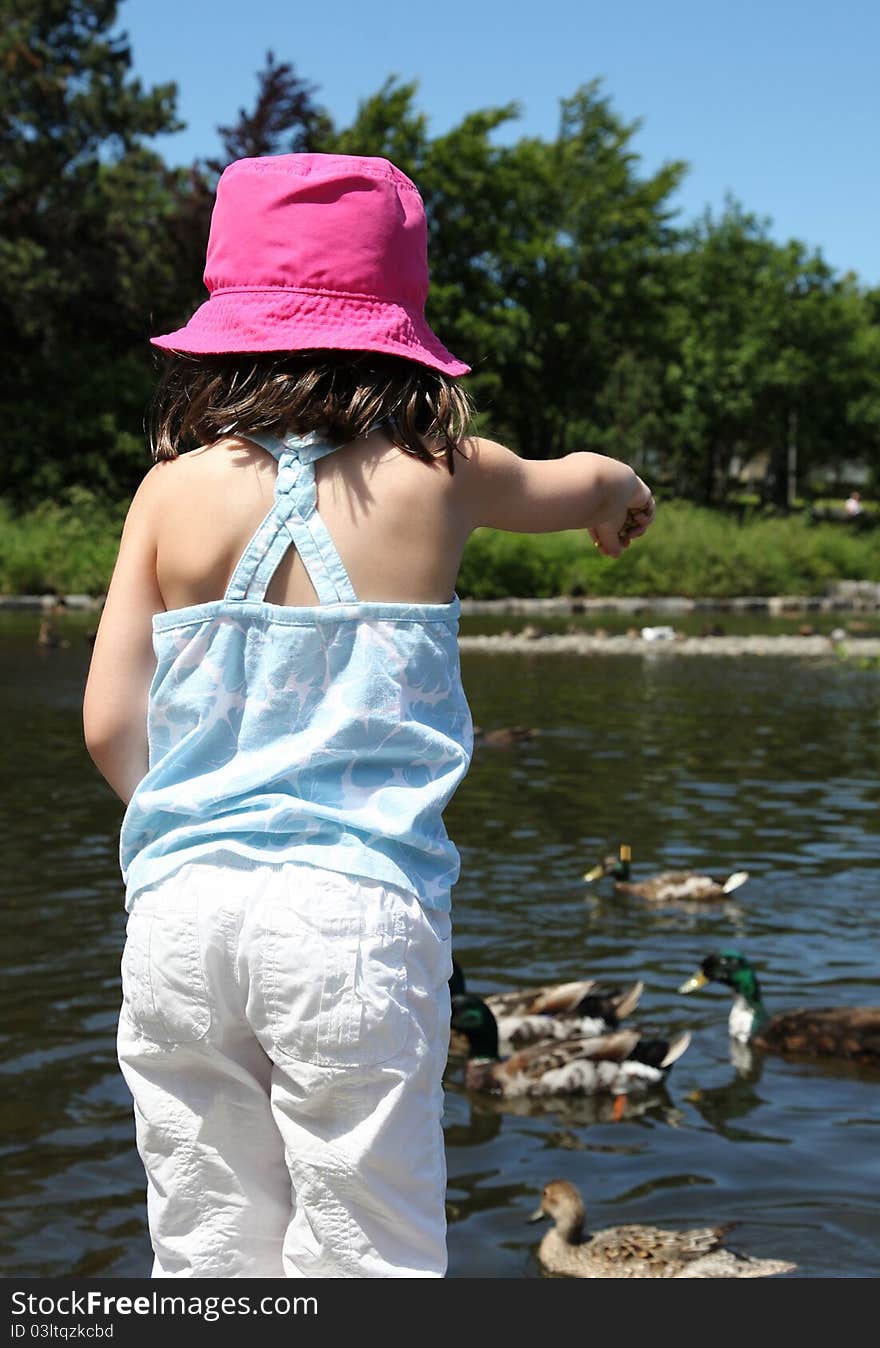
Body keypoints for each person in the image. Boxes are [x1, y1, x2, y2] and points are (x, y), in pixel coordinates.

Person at [82, 153, 655, 1280]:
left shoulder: (167, 490)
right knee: (365, 1250)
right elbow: (576, 477)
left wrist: (198, 830)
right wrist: (620, 494)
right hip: (352, 918)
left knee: (205, 1249)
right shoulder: (441, 470)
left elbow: (111, 725)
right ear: (399, 326)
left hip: (181, 919)